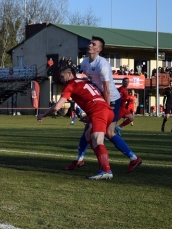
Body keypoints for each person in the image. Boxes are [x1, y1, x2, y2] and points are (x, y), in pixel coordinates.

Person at [66, 36, 142, 174]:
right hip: (99, 101)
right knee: (88, 131)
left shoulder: (103, 65)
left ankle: (133, 158)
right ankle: (79, 159)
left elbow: (107, 90)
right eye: (89, 43)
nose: (90, 45)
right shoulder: (84, 63)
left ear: (99, 49)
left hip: (111, 100)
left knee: (109, 132)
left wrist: (106, 109)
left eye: (93, 44)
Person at [38, 67, 114, 179]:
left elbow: (57, 107)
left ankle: (106, 170)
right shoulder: (85, 81)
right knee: (88, 135)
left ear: (69, 74)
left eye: (62, 76)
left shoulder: (70, 85)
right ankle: (90, 163)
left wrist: (43, 115)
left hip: (98, 112)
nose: (61, 79)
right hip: (106, 110)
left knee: (98, 140)